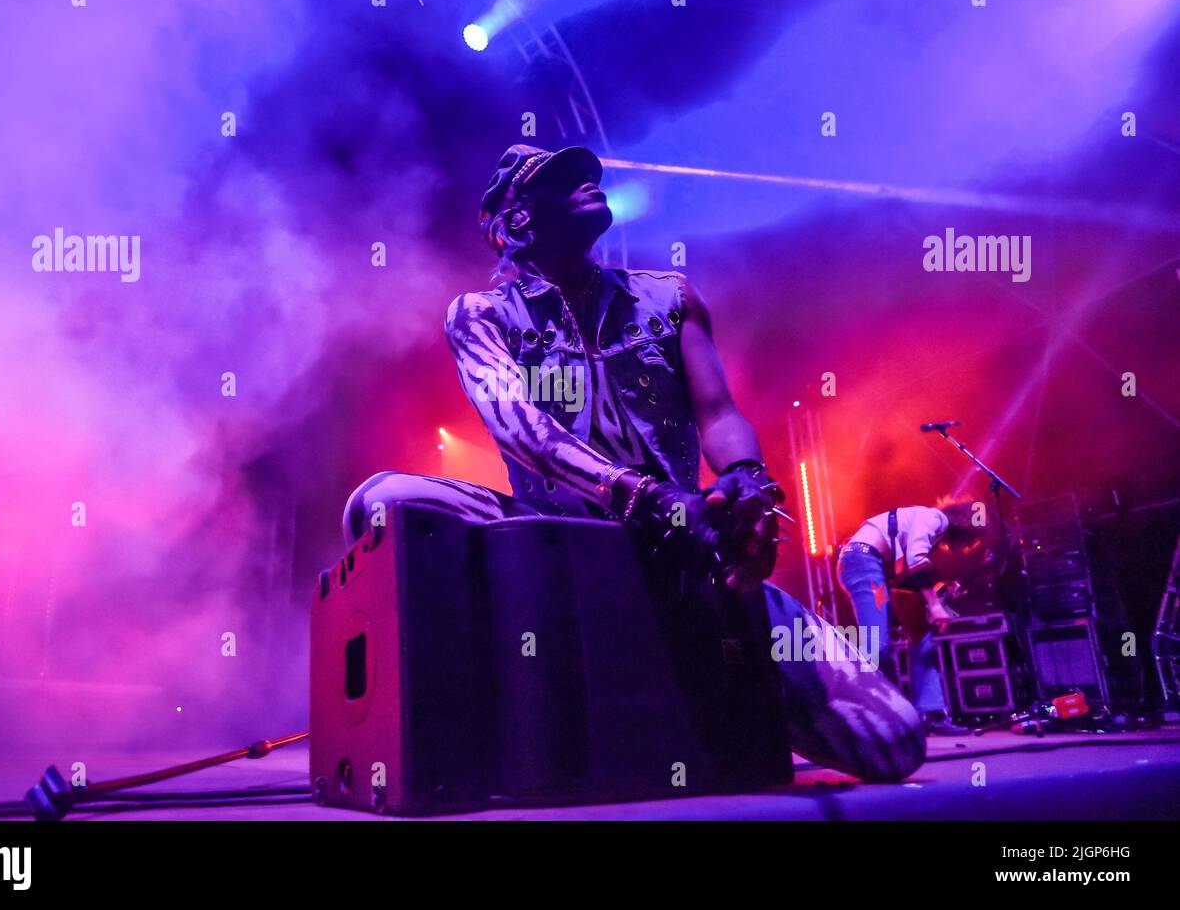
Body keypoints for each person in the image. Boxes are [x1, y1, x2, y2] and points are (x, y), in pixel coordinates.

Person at [342, 143, 926, 782]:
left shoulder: (670, 297)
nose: (588, 182)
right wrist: (645, 499)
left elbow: (720, 415)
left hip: (686, 543)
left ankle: (729, 687)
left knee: (894, 742)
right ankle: (485, 698)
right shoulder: (479, 316)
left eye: (588, 174)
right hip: (551, 544)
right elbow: (520, 428)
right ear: (516, 223)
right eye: (561, 180)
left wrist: (745, 483)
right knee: (382, 501)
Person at [838, 502, 990, 736]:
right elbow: (917, 559)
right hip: (862, 562)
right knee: (877, 646)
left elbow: (909, 570)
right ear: (965, 526)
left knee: (922, 637)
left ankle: (931, 714)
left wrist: (939, 590)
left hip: (874, 567)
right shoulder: (933, 518)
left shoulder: (932, 530)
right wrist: (935, 605)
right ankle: (865, 717)